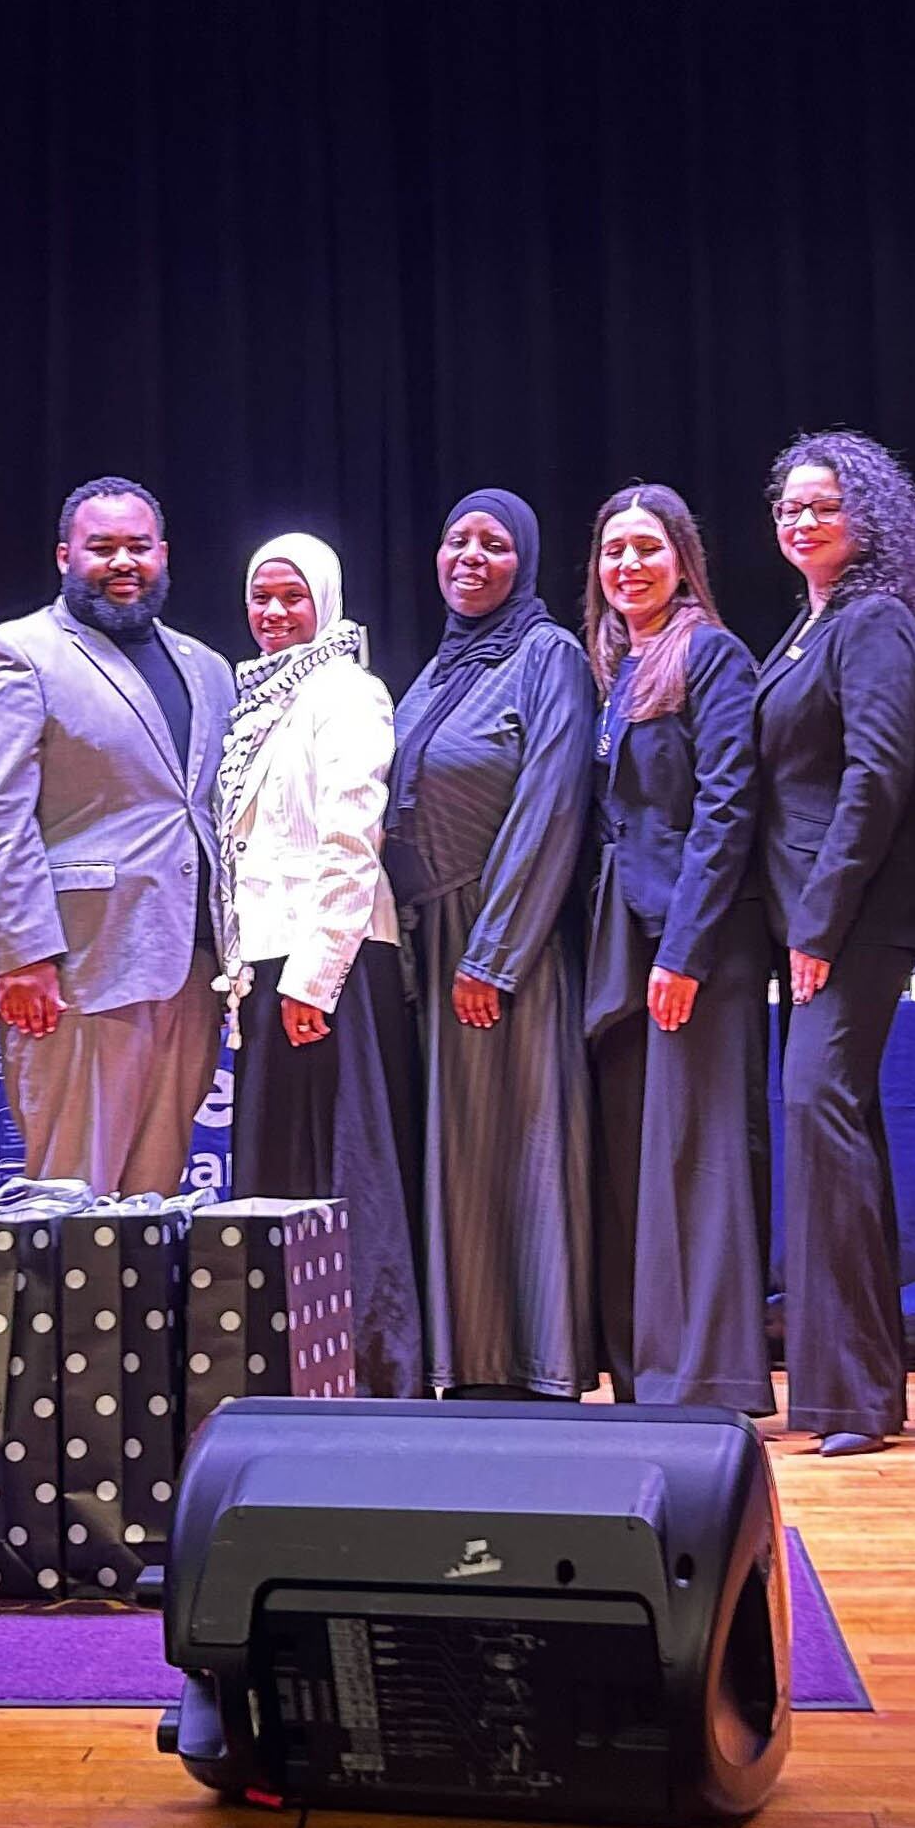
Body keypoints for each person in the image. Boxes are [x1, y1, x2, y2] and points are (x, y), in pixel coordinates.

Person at [0, 475, 236, 1196]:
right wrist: (21, 956)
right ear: (64, 555)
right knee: (72, 1203)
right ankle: (67, 1318)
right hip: (76, 972)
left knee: (155, 1202)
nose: (123, 561)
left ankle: (139, 1319)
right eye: (101, 547)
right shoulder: (11, 655)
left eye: (139, 546)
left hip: (193, 968)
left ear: (164, 554)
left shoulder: (211, 669)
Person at [750, 438, 915, 1455]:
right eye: (786, 508)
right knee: (837, 1130)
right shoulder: (807, 623)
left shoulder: (872, 621)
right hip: (806, 926)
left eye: (820, 505)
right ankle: (855, 1391)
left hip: (851, 921)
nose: (799, 521)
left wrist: (819, 921)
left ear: (866, 513)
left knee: (816, 1117)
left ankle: (854, 1398)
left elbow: (876, 777)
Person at [388, 489, 596, 1398]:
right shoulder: (436, 672)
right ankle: (464, 1357)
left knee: (516, 1144)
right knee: (456, 1153)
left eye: (495, 543)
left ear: (528, 562)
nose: (471, 556)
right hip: (428, 939)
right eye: (456, 538)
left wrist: (495, 953)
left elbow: (550, 808)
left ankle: (530, 1359)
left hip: (498, 942)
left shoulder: (546, 655)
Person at [215, 531, 424, 1395]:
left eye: (292, 598)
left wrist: (314, 975)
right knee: (279, 1184)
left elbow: (351, 835)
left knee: (347, 1180)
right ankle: (289, 1372)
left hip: (328, 968)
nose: (273, 614)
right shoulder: (257, 702)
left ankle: (373, 1374)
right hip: (271, 964)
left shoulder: (346, 690)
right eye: (261, 598)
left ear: (326, 602)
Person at [581, 485, 769, 1416]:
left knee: (698, 1159)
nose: (629, 567)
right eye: (614, 551)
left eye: (647, 549)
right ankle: (649, 1372)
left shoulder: (712, 655)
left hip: (695, 944)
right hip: (624, 939)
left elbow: (728, 810)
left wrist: (686, 950)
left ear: (683, 559)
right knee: (639, 1163)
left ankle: (711, 1378)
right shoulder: (621, 667)